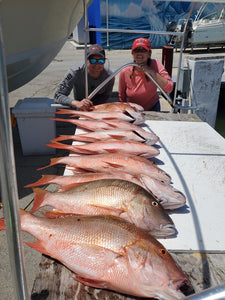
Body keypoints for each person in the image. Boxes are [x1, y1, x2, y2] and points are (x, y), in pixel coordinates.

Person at [118, 37, 173, 111]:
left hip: (153, 108)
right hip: (133, 110)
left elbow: (169, 88)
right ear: (132, 53)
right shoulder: (125, 71)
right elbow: (122, 97)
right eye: (137, 50)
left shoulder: (156, 64)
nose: (139, 53)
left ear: (149, 53)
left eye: (143, 50)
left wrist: (151, 71)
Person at [54, 44, 115, 111]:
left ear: (105, 61)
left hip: (97, 109)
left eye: (101, 61)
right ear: (86, 60)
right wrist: (76, 103)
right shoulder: (75, 71)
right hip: (79, 107)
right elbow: (58, 95)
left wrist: (92, 107)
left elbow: (105, 96)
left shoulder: (110, 76)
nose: (97, 64)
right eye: (93, 61)